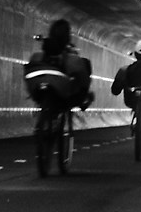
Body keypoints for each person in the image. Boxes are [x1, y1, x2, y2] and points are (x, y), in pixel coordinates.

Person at [22, 19, 92, 177]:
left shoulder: (39, 55)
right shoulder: (72, 58)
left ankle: (43, 127)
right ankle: (53, 130)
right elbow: (82, 79)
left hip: (38, 84)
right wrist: (83, 97)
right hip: (60, 89)